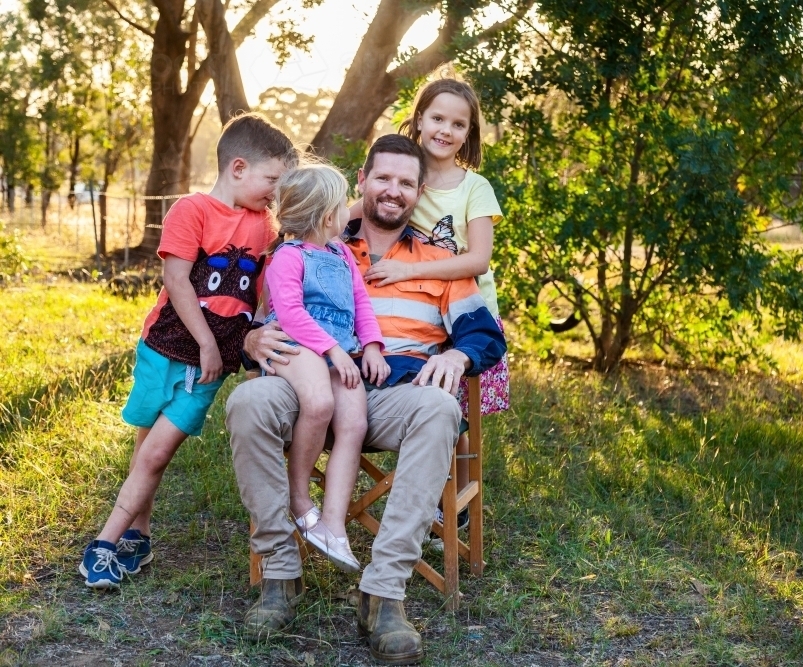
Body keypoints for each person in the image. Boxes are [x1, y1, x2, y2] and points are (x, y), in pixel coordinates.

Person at [226, 134, 506, 663]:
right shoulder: (317, 239)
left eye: (406, 182)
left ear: (419, 191)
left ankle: (383, 593)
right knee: (248, 404)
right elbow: (262, 316)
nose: (393, 191)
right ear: (361, 180)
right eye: (383, 178)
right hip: (304, 387)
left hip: (392, 395)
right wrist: (249, 339)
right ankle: (280, 574)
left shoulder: (438, 262)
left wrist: (456, 357)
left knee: (442, 408)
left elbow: (484, 334)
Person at [78, 112, 297, 589]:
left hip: (211, 363)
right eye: (271, 180)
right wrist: (203, 343)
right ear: (238, 168)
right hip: (165, 346)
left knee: (156, 454)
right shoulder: (191, 210)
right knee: (146, 444)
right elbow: (176, 280)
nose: (274, 194)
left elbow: (266, 288)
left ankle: (102, 546)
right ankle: (140, 534)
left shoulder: (266, 225)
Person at [352, 78, 509, 529]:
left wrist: (407, 272)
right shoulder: (400, 171)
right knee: (424, 397)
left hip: (463, 308)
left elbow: (477, 259)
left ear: (469, 133)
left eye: (458, 124)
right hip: (411, 313)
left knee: (453, 406)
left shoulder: (472, 186)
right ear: (419, 118)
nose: (446, 130)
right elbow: (346, 212)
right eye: (437, 118)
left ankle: (451, 507)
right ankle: (422, 491)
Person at [262, 163, 389, 573]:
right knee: (319, 404)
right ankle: (299, 498)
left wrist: (371, 346)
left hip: (341, 349)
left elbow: (361, 304)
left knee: (353, 422)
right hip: (298, 346)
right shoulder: (288, 256)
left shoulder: (341, 254)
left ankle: (333, 526)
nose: (348, 212)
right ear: (324, 215)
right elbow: (291, 314)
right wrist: (333, 351)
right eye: (341, 206)